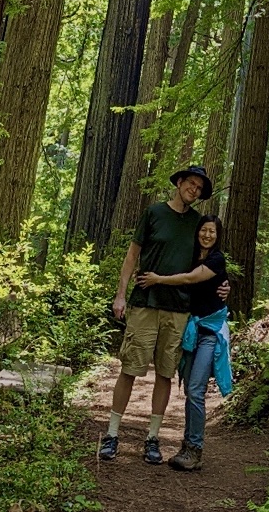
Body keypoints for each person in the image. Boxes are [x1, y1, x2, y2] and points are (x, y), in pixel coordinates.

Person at [99, 163, 213, 464]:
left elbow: (208, 261)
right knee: (131, 367)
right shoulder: (154, 213)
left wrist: (221, 287)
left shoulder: (198, 223)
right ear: (179, 183)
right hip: (146, 303)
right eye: (191, 184)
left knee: (165, 372)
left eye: (199, 188)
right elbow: (132, 255)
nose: (194, 190)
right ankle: (112, 434)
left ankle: (152, 438)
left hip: (178, 309)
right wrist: (120, 294)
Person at [170, 214, 237, 464]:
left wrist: (156, 278)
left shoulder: (216, 259)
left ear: (218, 237)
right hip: (192, 331)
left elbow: (190, 279)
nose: (207, 235)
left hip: (210, 332)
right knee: (190, 389)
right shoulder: (188, 256)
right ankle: (187, 444)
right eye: (204, 230)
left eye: (213, 232)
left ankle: (195, 450)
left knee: (196, 390)